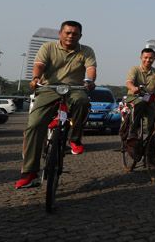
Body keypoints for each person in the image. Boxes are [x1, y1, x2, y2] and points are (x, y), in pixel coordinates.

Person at [15, 21, 97, 189]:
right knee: (34, 125)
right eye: (67, 32)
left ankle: (75, 139)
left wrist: (89, 81)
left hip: (74, 89)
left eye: (75, 34)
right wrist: (36, 78)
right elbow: (39, 65)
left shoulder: (86, 51)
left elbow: (90, 68)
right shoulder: (48, 47)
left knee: (82, 101)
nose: (70, 36)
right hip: (49, 89)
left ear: (80, 36)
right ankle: (29, 172)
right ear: (60, 33)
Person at [123, 48, 155, 164]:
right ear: (141, 58)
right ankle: (132, 131)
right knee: (141, 103)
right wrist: (134, 88)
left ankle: (150, 156)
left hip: (150, 99)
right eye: (145, 58)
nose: (148, 60)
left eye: (151, 58)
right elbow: (129, 82)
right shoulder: (135, 69)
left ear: (154, 59)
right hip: (135, 97)